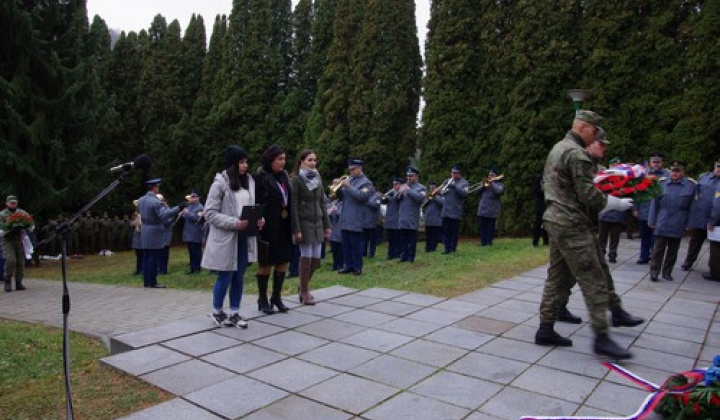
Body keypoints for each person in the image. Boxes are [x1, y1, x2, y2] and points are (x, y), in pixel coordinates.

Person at [535, 110, 636, 360]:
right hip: (571, 223)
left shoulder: (558, 147)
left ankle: (545, 329)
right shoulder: (576, 153)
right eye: (593, 130)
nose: (595, 136)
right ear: (583, 126)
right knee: (594, 277)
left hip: (555, 219)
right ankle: (602, 337)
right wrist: (616, 203)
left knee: (557, 277)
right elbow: (588, 195)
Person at [202, 145, 262, 328]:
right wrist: (234, 223)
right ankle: (217, 310)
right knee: (225, 276)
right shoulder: (219, 184)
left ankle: (235, 312)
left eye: (246, 162)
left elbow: (250, 207)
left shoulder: (249, 182)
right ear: (233, 164)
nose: (245, 165)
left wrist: (258, 219)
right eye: (241, 162)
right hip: (226, 239)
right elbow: (209, 213)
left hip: (244, 237)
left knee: (239, 276)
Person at [254, 144, 293, 313]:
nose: (283, 162)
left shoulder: (284, 177)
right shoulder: (259, 178)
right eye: (279, 159)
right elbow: (254, 202)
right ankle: (262, 299)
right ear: (270, 160)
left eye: (284, 159)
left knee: (283, 261)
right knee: (266, 263)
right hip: (267, 227)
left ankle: (276, 297)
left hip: (284, 225)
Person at [289, 150, 331, 305]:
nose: (313, 163)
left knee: (316, 259)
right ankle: (305, 291)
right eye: (309, 160)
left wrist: (327, 225)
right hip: (304, 222)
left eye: (315, 160)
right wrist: (296, 228)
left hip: (318, 222)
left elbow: (322, 202)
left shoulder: (317, 177)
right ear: (301, 161)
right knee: (306, 257)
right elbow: (293, 206)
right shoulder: (296, 179)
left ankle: (302, 285)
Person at [648, 160, 696, 282]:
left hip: (678, 220)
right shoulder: (661, 183)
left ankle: (667, 272)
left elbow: (693, 207)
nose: (674, 173)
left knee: (673, 250)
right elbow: (654, 204)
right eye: (672, 170)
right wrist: (652, 220)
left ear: (683, 172)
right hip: (663, 219)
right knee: (658, 248)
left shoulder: (690, 185)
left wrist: (690, 223)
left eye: (677, 171)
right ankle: (654, 271)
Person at [138, 179, 182, 289]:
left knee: (147, 257)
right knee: (153, 257)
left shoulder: (141, 200)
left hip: (145, 229)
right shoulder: (155, 202)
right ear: (154, 188)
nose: (158, 189)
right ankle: (152, 282)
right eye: (157, 187)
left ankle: (147, 281)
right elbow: (163, 215)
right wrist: (178, 208)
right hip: (154, 230)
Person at [681, 158, 720, 271]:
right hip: (701, 217)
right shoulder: (704, 177)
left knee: (716, 247)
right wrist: (692, 218)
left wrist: (714, 220)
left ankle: (714, 269)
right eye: (718, 166)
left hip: (717, 220)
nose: (719, 169)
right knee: (695, 241)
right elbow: (696, 197)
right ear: (714, 166)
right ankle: (688, 262)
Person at [338, 159, 374, 275]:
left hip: (356, 217)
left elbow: (362, 196)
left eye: (353, 169)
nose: (351, 172)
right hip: (346, 216)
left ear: (360, 168)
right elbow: (341, 197)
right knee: (346, 244)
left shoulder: (366, 182)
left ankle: (357, 267)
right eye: (349, 170)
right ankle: (348, 265)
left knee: (356, 244)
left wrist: (348, 187)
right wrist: (338, 187)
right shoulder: (350, 180)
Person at [634, 151, 669, 264]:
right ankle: (643, 256)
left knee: (656, 237)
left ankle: (655, 257)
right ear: (650, 162)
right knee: (644, 236)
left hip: (658, 211)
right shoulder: (642, 174)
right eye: (654, 162)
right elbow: (637, 192)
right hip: (644, 208)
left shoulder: (667, 175)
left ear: (662, 162)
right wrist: (635, 208)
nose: (656, 164)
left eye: (658, 162)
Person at [0, 195, 35, 292]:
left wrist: (26, 225)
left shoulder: (22, 213)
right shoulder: (2, 214)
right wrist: (8, 228)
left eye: (14, 202)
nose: (13, 204)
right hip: (7, 240)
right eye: (11, 203)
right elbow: (1, 230)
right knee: (10, 260)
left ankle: (19, 282)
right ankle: (7, 280)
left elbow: (31, 224)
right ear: (7, 203)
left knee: (20, 261)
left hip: (19, 239)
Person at [598, 157, 626, 263]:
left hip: (617, 212)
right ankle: (601, 254)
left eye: (617, 165)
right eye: (613, 165)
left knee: (615, 236)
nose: (615, 167)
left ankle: (612, 254)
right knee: (602, 236)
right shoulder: (603, 179)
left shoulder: (624, 180)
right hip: (604, 211)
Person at [396, 166, 426, 262]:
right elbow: (396, 200)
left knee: (412, 239)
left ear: (416, 176)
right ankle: (403, 255)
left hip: (412, 217)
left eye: (411, 176)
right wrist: (399, 193)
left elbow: (420, 198)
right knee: (403, 238)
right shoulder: (403, 186)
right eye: (407, 176)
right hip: (403, 216)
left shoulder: (421, 188)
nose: (409, 178)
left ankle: (411, 257)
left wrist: (408, 190)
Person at [440, 165, 469, 253]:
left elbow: (464, 193)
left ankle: (453, 248)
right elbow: (442, 192)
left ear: (460, 174)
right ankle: (446, 248)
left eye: (455, 173)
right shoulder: (447, 181)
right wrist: (443, 189)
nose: (453, 175)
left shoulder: (464, 183)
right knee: (446, 231)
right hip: (446, 210)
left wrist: (455, 186)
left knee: (454, 232)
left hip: (455, 210)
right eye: (452, 173)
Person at [476, 168, 504, 246]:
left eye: (492, 175)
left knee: (490, 227)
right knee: (482, 227)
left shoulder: (499, 185)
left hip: (492, 209)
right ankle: (483, 242)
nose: (490, 176)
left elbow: (499, 191)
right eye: (489, 175)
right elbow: (477, 191)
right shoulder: (485, 183)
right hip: (483, 208)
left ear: (496, 176)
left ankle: (489, 242)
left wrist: (492, 183)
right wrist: (483, 185)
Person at [181, 191, 205, 274]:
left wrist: (188, 213)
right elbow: (185, 217)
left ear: (198, 198)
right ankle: (192, 268)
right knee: (191, 252)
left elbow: (196, 219)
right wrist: (183, 214)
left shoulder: (200, 207)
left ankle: (197, 269)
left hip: (195, 232)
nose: (193, 199)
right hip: (188, 232)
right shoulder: (189, 206)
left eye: (194, 197)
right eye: (192, 197)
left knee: (196, 251)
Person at [381, 178, 403, 259]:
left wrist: (392, 195)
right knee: (390, 239)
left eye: (396, 184)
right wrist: (385, 197)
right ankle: (390, 254)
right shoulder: (390, 194)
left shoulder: (401, 193)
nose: (394, 186)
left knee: (397, 238)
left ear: (400, 185)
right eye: (393, 184)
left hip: (397, 219)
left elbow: (397, 199)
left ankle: (398, 253)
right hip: (389, 219)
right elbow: (383, 201)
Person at [705, 181, 720, 281]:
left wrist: (712, 221)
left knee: (716, 249)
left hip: (718, 224)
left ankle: (715, 273)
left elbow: (717, 206)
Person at [423, 181, 444, 252]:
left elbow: (442, 203)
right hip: (428, 219)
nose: (432, 189)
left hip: (436, 219)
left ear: (436, 188)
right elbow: (423, 204)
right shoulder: (427, 195)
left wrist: (435, 196)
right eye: (430, 187)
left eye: (433, 187)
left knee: (434, 235)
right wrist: (430, 196)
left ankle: (433, 248)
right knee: (428, 235)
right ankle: (427, 248)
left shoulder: (441, 195)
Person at [157, 194, 173, 275]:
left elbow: (167, 222)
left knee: (164, 254)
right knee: (159, 254)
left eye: (162, 201)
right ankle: (159, 269)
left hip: (165, 235)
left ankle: (163, 270)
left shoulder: (168, 210)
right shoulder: (159, 209)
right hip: (159, 236)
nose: (161, 203)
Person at [363, 189, 382, 258]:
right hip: (364, 220)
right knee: (364, 238)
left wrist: (367, 202)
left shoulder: (378, 196)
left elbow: (376, 205)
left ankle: (372, 253)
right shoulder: (365, 195)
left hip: (373, 221)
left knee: (372, 239)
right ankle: (364, 252)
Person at [532, 172, 549, 247]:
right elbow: (535, 189)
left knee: (547, 224)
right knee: (537, 224)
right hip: (540, 204)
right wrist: (544, 191)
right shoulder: (539, 177)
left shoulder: (551, 177)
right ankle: (535, 242)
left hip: (548, 204)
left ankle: (546, 241)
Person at [327, 199, 344, 270]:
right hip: (333, 228)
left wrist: (336, 210)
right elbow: (327, 212)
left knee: (340, 248)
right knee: (334, 248)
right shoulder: (334, 202)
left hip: (340, 227)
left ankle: (340, 264)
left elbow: (340, 213)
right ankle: (335, 264)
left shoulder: (344, 203)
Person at [130, 200, 143, 275]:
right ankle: (138, 270)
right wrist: (133, 222)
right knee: (138, 255)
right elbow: (131, 223)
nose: (137, 208)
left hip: (143, 236)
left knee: (143, 255)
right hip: (136, 236)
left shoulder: (144, 214)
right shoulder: (134, 215)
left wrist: (140, 223)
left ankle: (143, 270)